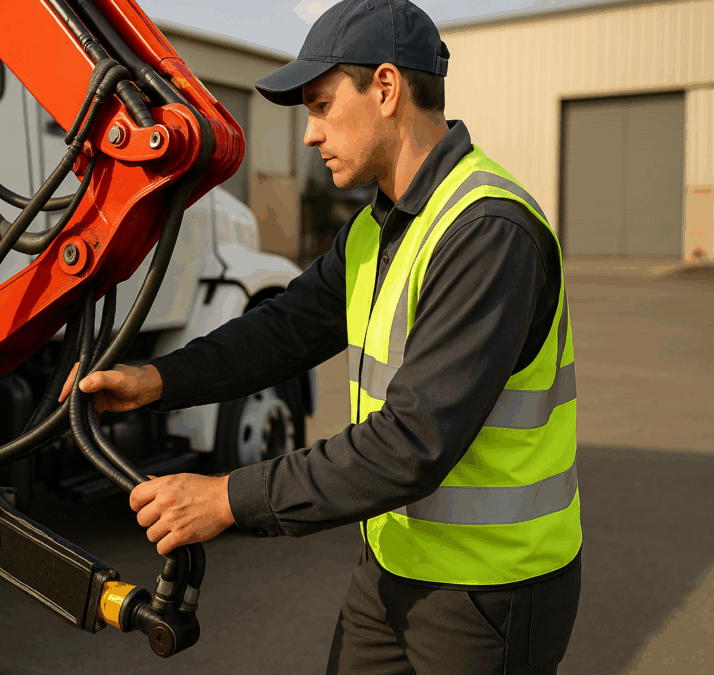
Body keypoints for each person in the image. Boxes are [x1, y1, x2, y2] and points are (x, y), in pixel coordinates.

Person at [60, 0, 582, 672]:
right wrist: (159, 380)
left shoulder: (487, 231)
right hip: (393, 566)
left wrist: (225, 498)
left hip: (489, 594)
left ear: (387, 89)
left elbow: (410, 444)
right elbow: (284, 329)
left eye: (321, 104)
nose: (309, 133)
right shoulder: (378, 226)